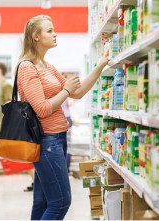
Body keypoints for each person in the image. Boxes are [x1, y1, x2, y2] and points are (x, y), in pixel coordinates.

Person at [17, 15, 109, 220]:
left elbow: (78, 92)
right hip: (46, 141)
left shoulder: (47, 66)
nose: (55, 33)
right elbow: (41, 109)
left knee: (42, 203)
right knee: (60, 202)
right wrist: (66, 90)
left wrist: (100, 65)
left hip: (57, 138)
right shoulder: (27, 67)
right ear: (36, 36)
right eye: (49, 30)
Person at [0, 62, 35, 192]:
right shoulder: (2, 86)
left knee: (4, 154)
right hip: (3, 126)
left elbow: (11, 106)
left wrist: (7, 126)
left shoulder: (6, 86)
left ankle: (35, 180)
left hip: (5, 127)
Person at [61, 73, 74, 174]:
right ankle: (66, 169)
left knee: (62, 144)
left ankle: (63, 169)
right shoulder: (67, 91)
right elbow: (71, 103)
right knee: (67, 144)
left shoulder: (58, 91)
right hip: (67, 117)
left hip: (62, 118)